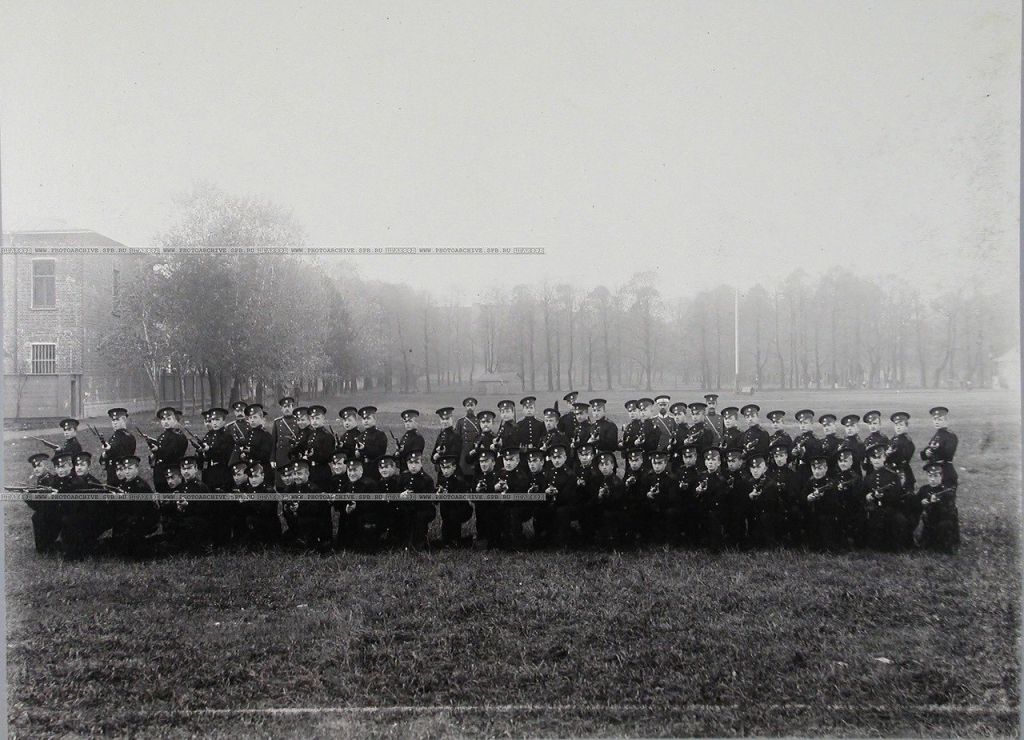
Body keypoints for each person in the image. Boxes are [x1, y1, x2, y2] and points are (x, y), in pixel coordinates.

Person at [61, 451, 109, 561]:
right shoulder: (70, 480)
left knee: (74, 522)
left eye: (82, 465)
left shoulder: (94, 483)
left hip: (92, 519)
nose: (79, 468)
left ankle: (77, 553)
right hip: (74, 516)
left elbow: (97, 509)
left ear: (88, 467)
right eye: (77, 465)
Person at [110, 455, 160, 558]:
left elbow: (140, 511)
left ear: (137, 469)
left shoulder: (141, 487)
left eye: (130, 468)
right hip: (128, 519)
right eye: (125, 469)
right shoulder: (124, 484)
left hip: (141, 521)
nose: (127, 472)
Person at [863, 443, 908, 551]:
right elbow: (863, 495)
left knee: (899, 521)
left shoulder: (893, 475)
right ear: (870, 460)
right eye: (873, 458)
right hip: (874, 510)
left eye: (879, 457)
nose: (876, 460)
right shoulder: (868, 478)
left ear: (884, 458)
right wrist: (868, 497)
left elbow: (897, 496)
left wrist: (884, 496)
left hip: (890, 509)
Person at [336, 458, 385, 550]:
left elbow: (375, 506)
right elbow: (339, 504)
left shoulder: (370, 485)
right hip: (351, 519)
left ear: (361, 470)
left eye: (355, 470)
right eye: (349, 470)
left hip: (365, 520)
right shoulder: (346, 486)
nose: (352, 473)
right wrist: (345, 507)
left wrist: (357, 507)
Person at [396, 450, 436, 550]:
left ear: (421, 463)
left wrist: (414, 498)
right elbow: (396, 492)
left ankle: (419, 544)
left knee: (419, 518)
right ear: (407, 464)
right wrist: (401, 495)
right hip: (406, 507)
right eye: (410, 463)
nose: (413, 466)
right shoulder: (402, 477)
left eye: (416, 462)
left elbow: (428, 500)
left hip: (422, 509)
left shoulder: (427, 479)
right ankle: (404, 542)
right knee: (402, 514)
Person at [917, 461, 959, 553]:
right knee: (924, 546)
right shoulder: (924, 489)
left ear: (941, 476)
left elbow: (949, 512)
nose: (932, 479)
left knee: (944, 529)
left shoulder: (946, 491)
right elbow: (915, 504)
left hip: (942, 523)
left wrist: (934, 504)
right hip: (928, 523)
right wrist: (921, 502)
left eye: (936, 476)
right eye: (930, 476)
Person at [25, 453, 62, 553]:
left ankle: (45, 546)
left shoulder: (50, 481)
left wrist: (29, 498)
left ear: (46, 466)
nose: (36, 469)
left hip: (55, 516)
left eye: (39, 466)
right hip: (48, 514)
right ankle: (44, 546)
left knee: (38, 517)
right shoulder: (42, 479)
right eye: (34, 467)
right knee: (37, 516)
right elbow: (40, 506)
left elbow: (43, 507)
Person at [801, 455, 839, 551]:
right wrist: (808, 498)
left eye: (820, 468)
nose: (817, 472)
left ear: (826, 468)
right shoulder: (809, 482)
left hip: (826, 515)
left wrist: (822, 498)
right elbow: (802, 497)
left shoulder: (831, 483)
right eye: (814, 468)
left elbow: (834, 503)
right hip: (812, 514)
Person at [148, 407, 189, 493]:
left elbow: (173, 453)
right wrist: (153, 453)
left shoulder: (179, 436)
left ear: (174, 420)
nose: (166, 422)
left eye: (169, 419)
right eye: (163, 419)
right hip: (160, 473)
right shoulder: (163, 435)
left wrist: (158, 450)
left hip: (172, 473)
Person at [435, 454, 473, 548]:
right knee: (445, 520)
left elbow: (462, 502)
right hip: (446, 511)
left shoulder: (459, 481)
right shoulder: (441, 480)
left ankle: (455, 540)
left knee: (453, 517)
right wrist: (438, 494)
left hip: (459, 510)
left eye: (448, 467)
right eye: (443, 468)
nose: (445, 471)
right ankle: (446, 540)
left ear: (454, 467)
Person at [745, 453, 782, 548]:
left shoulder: (771, 484)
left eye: (758, 467)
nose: (755, 470)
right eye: (753, 468)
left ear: (765, 469)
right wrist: (750, 497)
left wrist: (760, 497)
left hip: (769, 518)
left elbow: (772, 506)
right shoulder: (748, 483)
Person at [921, 406, 958, 488]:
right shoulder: (937, 434)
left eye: (940, 420)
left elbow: (948, 454)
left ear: (946, 420)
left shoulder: (950, 435)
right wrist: (926, 452)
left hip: (945, 471)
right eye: (935, 419)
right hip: (935, 471)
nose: (936, 422)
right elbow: (928, 449)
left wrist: (934, 451)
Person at [470, 449, 502, 547]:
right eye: (481, 462)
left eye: (486, 461)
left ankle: (494, 539)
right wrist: (477, 491)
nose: (483, 464)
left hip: (496, 515)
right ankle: (482, 536)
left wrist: (491, 489)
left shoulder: (499, 476)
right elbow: (472, 498)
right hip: (481, 515)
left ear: (493, 462)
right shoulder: (477, 477)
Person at [201, 407, 234, 492]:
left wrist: (209, 450)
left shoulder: (227, 436)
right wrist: (201, 452)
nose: (214, 423)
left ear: (224, 421)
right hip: (209, 471)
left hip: (222, 472)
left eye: (217, 420)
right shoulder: (209, 435)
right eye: (212, 420)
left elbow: (224, 455)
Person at [101, 407, 136, 486]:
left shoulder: (128, 437)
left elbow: (125, 455)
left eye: (117, 420)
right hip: (111, 473)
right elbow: (106, 457)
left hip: (122, 475)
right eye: (113, 420)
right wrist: (104, 455)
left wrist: (110, 450)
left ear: (124, 420)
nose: (115, 423)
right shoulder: (113, 437)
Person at [886, 411, 916, 495]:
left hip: (903, 471)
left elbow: (905, 458)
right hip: (892, 470)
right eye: (896, 425)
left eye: (901, 425)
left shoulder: (907, 441)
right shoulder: (893, 439)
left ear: (906, 427)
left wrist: (889, 455)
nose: (898, 427)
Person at [271, 396, 298, 489]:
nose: (287, 409)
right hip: (281, 456)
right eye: (285, 407)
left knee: (294, 480)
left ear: (293, 407)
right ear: (281, 409)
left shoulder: (298, 421)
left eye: (289, 406)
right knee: (281, 481)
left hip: (294, 455)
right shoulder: (277, 422)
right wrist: (272, 459)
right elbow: (273, 442)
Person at [356, 406, 389, 479]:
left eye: (368, 418)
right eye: (364, 419)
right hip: (363, 468)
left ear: (374, 419)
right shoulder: (360, 436)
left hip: (375, 468)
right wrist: (357, 452)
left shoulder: (380, 435)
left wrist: (364, 449)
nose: (366, 421)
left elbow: (381, 452)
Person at [453, 398, 482, 478]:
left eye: (471, 405)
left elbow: (482, 435)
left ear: (475, 406)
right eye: (468, 406)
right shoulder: (460, 422)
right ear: (465, 407)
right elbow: (456, 439)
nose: (470, 408)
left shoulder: (479, 421)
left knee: (476, 474)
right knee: (463, 474)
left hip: (475, 451)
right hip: (464, 452)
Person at [790, 409, 821, 482]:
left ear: (811, 423)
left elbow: (816, 457)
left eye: (805, 423)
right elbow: (790, 455)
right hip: (797, 470)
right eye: (801, 423)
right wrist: (793, 453)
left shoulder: (815, 440)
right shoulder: (798, 439)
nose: (803, 426)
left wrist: (803, 454)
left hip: (809, 471)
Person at [432, 407, 463, 471]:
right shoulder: (441, 435)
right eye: (443, 419)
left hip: (452, 471)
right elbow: (432, 457)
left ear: (452, 419)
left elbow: (456, 456)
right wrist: (435, 457)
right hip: (441, 470)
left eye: (447, 419)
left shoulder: (456, 435)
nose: (445, 422)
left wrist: (443, 453)